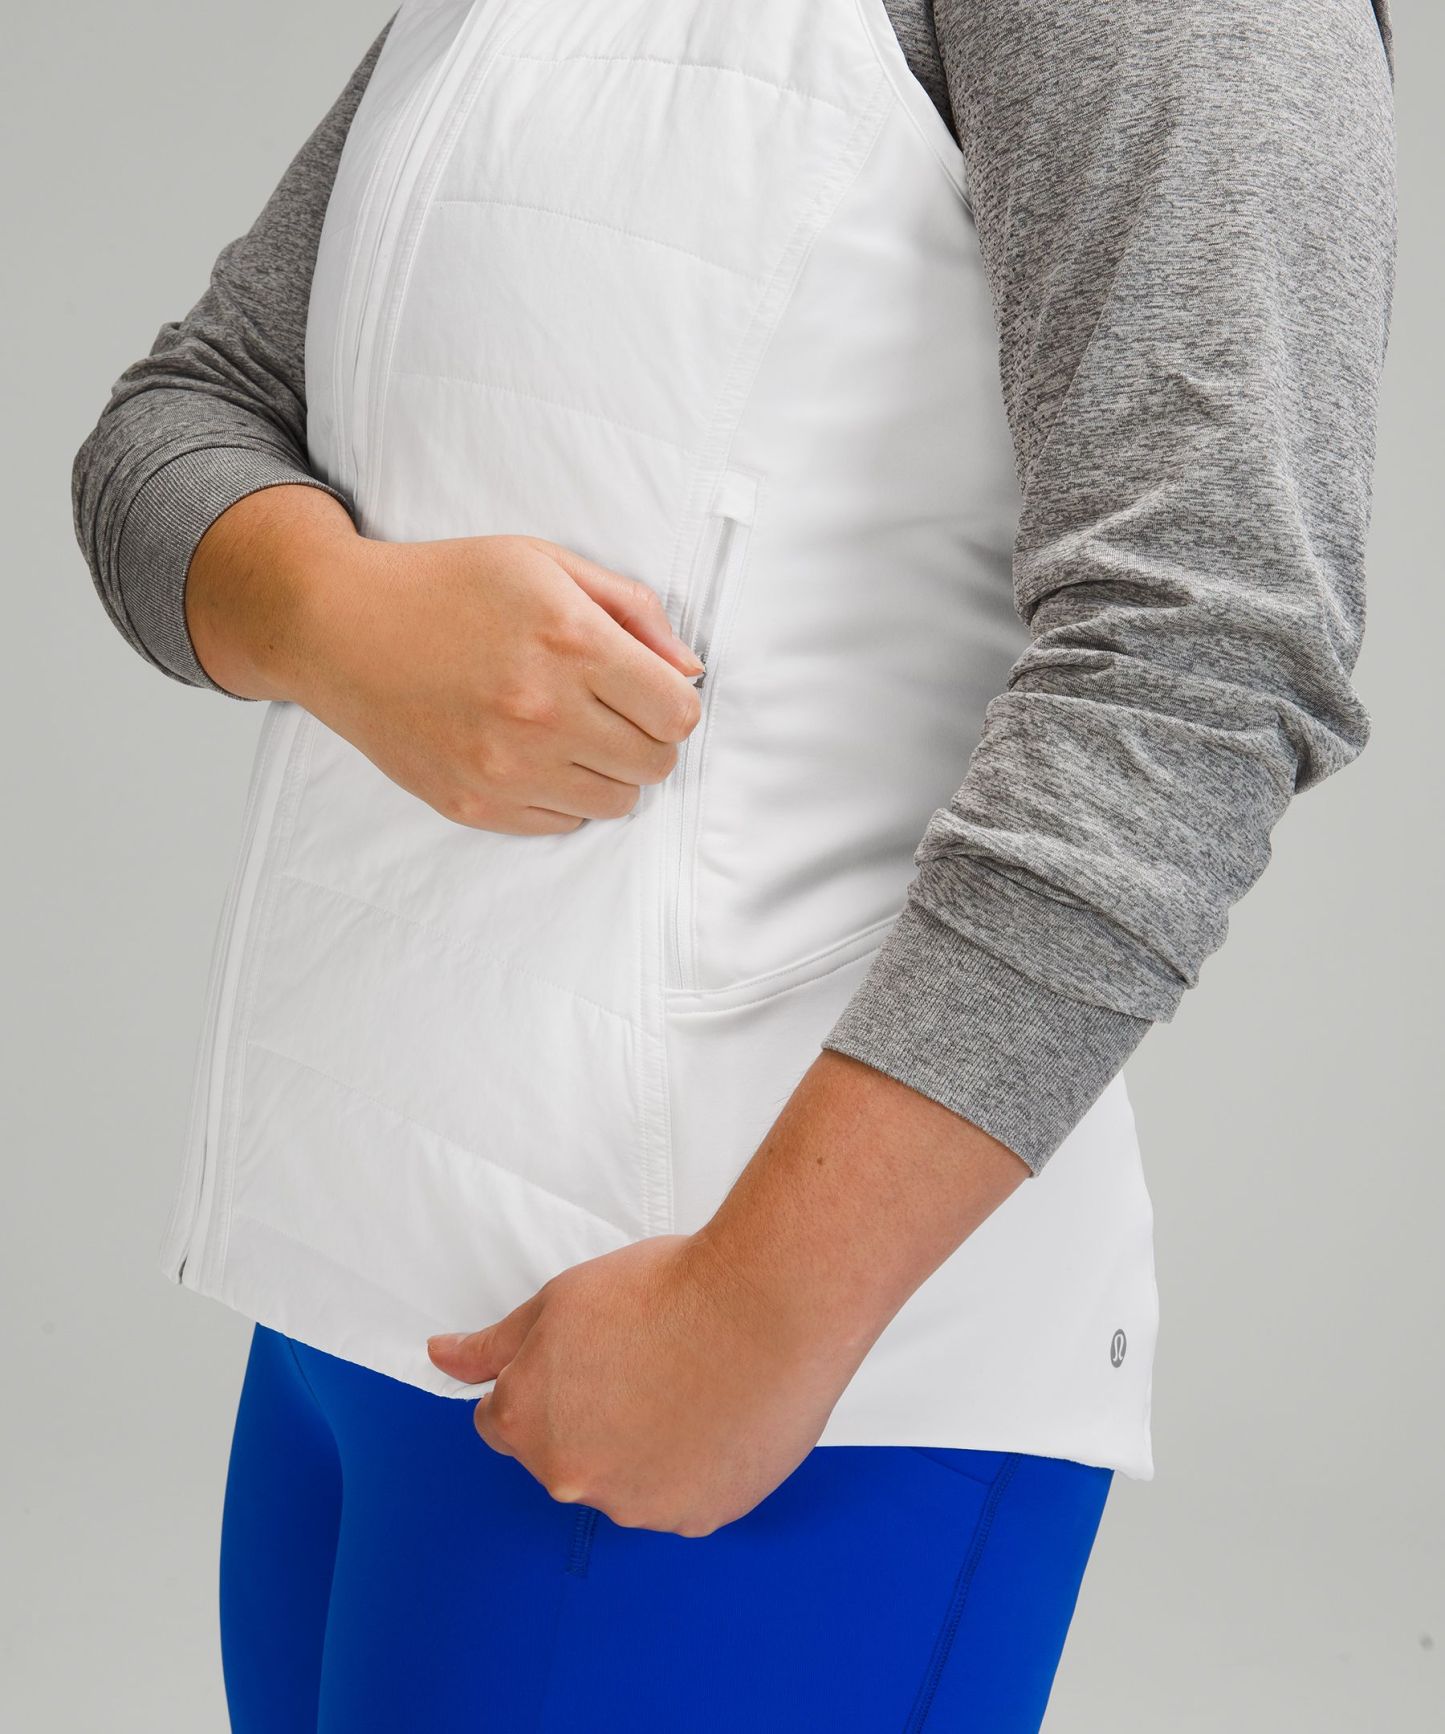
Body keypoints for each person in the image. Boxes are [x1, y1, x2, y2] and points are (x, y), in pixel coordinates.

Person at [70, 2, 1397, 1729]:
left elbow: (1202, 657)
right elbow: (180, 418)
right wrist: (335, 615)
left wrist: (760, 1311)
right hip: (353, 1298)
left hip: (755, 1381)